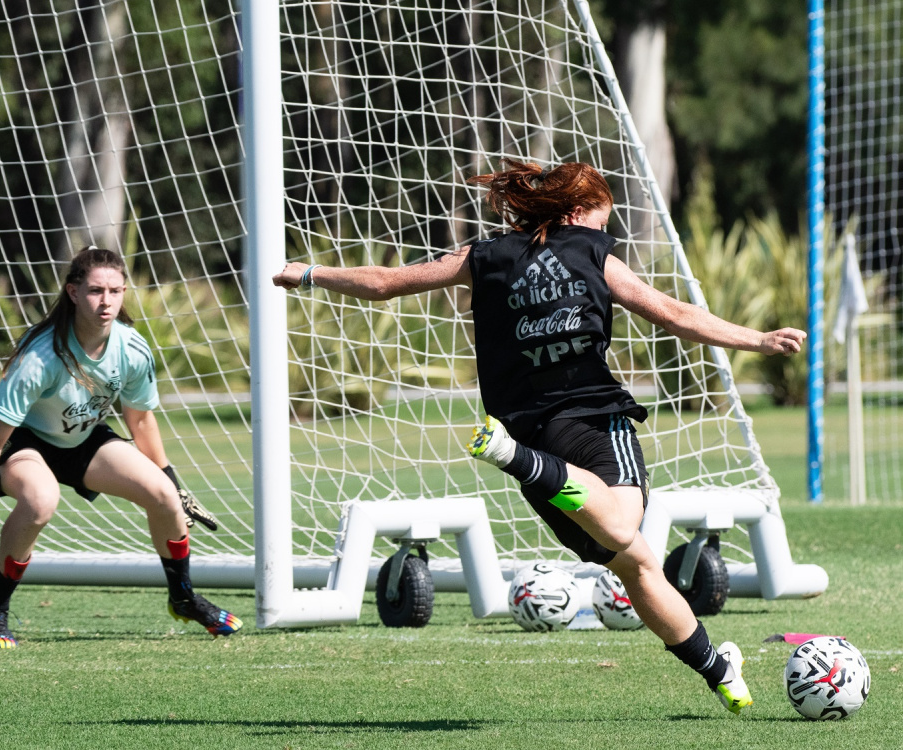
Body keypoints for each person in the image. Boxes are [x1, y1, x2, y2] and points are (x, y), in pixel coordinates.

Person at [272, 158, 807, 715]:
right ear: (577, 214)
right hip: (591, 423)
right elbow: (670, 313)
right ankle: (513, 458)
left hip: (529, 433)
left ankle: (720, 672)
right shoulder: (592, 252)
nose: (606, 233)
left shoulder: (485, 257)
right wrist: (758, 340)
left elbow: (384, 283)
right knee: (625, 525)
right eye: (603, 221)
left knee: (637, 564)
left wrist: (307, 273)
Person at [0, 246, 242, 648]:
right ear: (73, 292)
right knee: (40, 501)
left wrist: (173, 481)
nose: (107, 301)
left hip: (81, 437)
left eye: (116, 291)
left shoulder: (132, 348)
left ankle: (183, 598)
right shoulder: (41, 355)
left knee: (165, 496)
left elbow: (140, 420)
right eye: (96, 290)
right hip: (23, 440)